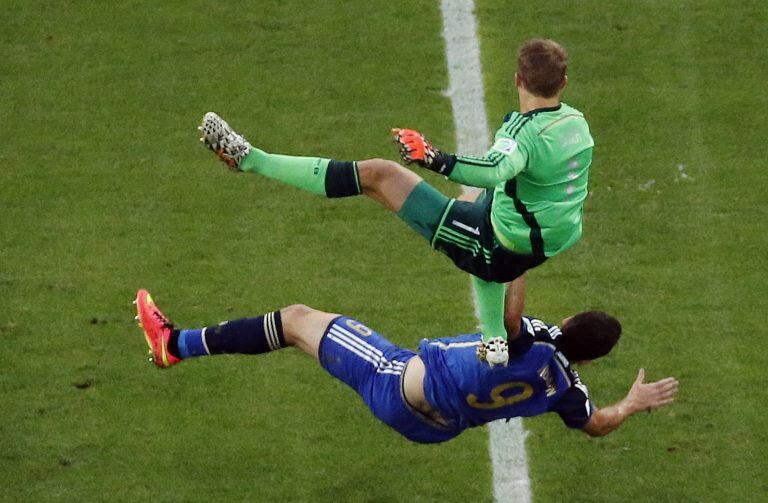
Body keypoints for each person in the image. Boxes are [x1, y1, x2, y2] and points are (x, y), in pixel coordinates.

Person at [197, 39, 594, 366]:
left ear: (517, 80)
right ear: (564, 82)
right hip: (556, 235)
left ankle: (251, 160)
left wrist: (435, 158)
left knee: (379, 176)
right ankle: (494, 339)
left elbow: (495, 167)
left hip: (503, 245)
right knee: (491, 203)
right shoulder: (576, 123)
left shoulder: (522, 132)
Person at [133, 278, 677, 443]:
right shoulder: (566, 389)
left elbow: (512, 323)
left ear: (571, 322)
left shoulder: (533, 338)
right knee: (301, 337)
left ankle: (173, 344)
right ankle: (179, 345)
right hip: (433, 428)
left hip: (395, 380)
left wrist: (519, 259)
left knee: (298, 317)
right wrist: (631, 403)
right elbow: (598, 424)